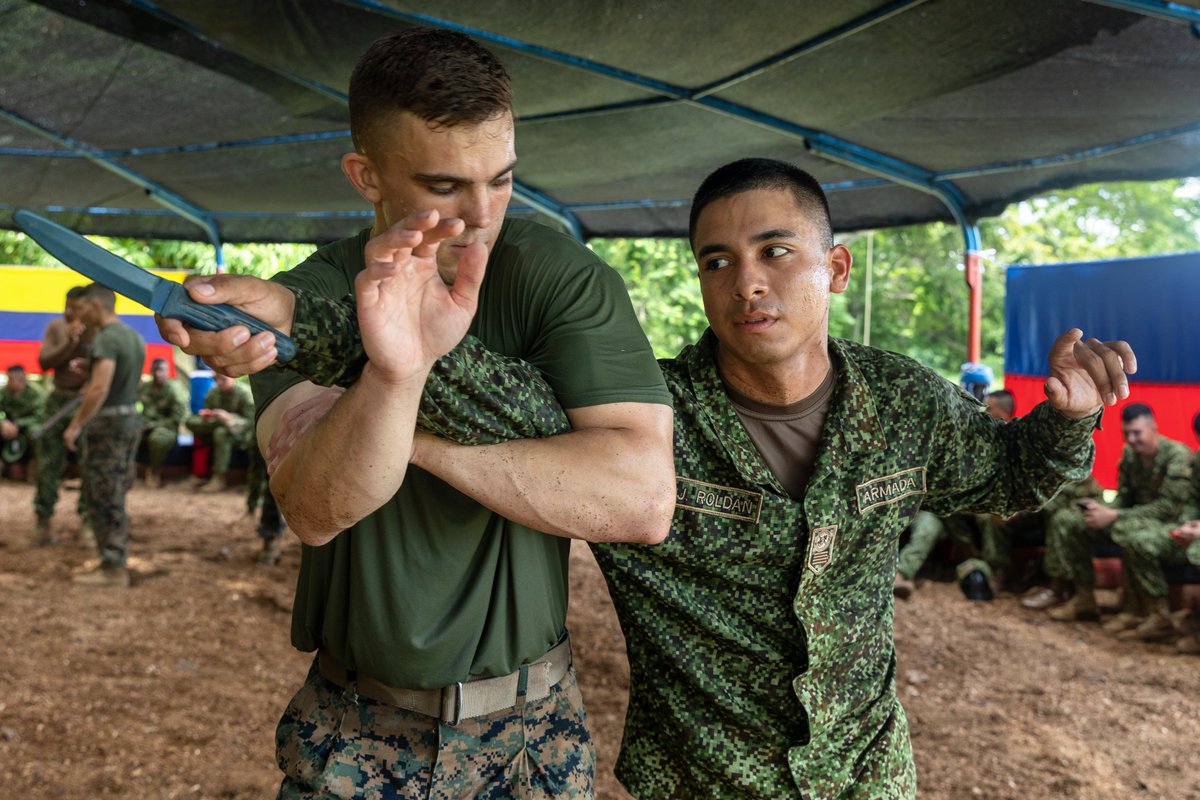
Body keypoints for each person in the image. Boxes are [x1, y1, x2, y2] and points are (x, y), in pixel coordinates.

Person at [176, 156, 1134, 798]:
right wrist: (296, 316)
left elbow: (1004, 476)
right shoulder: (650, 421)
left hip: (866, 776)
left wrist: (1070, 421)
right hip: (699, 781)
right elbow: (477, 386)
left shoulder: (902, 400)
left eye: (775, 253)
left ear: (834, 268)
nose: (746, 282)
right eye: (717, 261)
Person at [157, 28, 674, 797]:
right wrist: (394, 374)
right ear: (366, 175)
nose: (482, 214)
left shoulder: (555, 276)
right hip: (354, 730)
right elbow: (315, 505)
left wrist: (405, 425)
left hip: (532, 734)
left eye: (501, 179)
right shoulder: (311, 292)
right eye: (444, 186)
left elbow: (639, 499)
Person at [1037, 403, 1190, 635]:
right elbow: (1124, 497)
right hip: (1133, 517)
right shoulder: (1130, 455)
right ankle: (1084, 598)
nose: (1131, 439)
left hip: (1171, 524)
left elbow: (1169, 508)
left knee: (1129, 532)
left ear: (1153, 428)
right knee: (1071, 520)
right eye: (1126, 433)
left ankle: (1140, 612)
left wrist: (1115, 515)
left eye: (1137, 432)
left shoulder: (1176, 456)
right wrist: (1102, 509)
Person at [64, 284, 145, 588]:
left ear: (97, 305)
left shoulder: (107, 338)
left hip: (108, 427)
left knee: (103, 493)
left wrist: (75, 425)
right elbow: (118, 376)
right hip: (128, 421)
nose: (79, 313)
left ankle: (112, 566)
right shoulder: (132, 337)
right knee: (116, 489)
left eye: (83, 306)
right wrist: (93, 367)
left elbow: (99, 390)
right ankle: (114, 557)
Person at [33, 286, 94, 545]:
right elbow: (44, 362)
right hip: (59, 398)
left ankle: (88, 522)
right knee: (48, 462)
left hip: (87, 403)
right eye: (66, 305)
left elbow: (107, 368)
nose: (69, 312)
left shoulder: (100, 329)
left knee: (90, 463)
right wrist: (69, 343)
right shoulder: (57, 326)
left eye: (76, 307)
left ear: (89, 308)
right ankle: (43, 520)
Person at [185, 372, 255, 497]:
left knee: (221, 433)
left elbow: (251, 422)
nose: (219, 383)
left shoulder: (244, 393)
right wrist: (207, 415)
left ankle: (219, 478)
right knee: (190, 421)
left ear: (232, 377)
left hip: (241, 434)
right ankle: (203, 473)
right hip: (217, 426)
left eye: (223, 379)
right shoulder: (213, 392)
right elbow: (205, 412)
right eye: (216, 379)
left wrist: (228, 418)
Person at [137, 357, 187, 488]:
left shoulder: (174, 389)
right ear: (151, 371)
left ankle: (154, 472)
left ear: (167, 371)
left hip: (167, 428)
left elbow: (176, 418)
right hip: (145, 426)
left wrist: (151, 426)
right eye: (155, 370)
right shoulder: (145, 387)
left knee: (157, 439)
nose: (157, 373)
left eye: (161, 370)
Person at [0, 364, 45, 478]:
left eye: (11, 379)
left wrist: (18, 424)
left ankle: (35, 466)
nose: (8, 382)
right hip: (7, 429)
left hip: (28, 428)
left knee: (37, 432)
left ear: (21, 380)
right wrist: (2, 422)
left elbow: (40, 416)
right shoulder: (4, 392)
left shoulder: (36, 393)